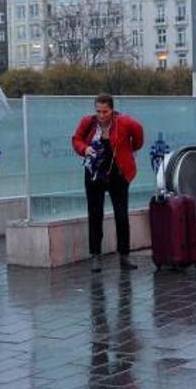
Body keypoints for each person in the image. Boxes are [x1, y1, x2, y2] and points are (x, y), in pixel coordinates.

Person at [72, 94, 144, 272]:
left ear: (112, 110)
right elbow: (76, 139)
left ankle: (124, 255)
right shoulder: (88, 122)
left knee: (121, 214)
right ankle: (96, 256)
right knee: (95, 214)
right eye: (98, 111)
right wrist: (84, 148)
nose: (101, 115)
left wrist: (129, 150)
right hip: (94, 173)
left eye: (105, 111)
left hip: (117, 174)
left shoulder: (124, 122)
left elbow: (139, 136)